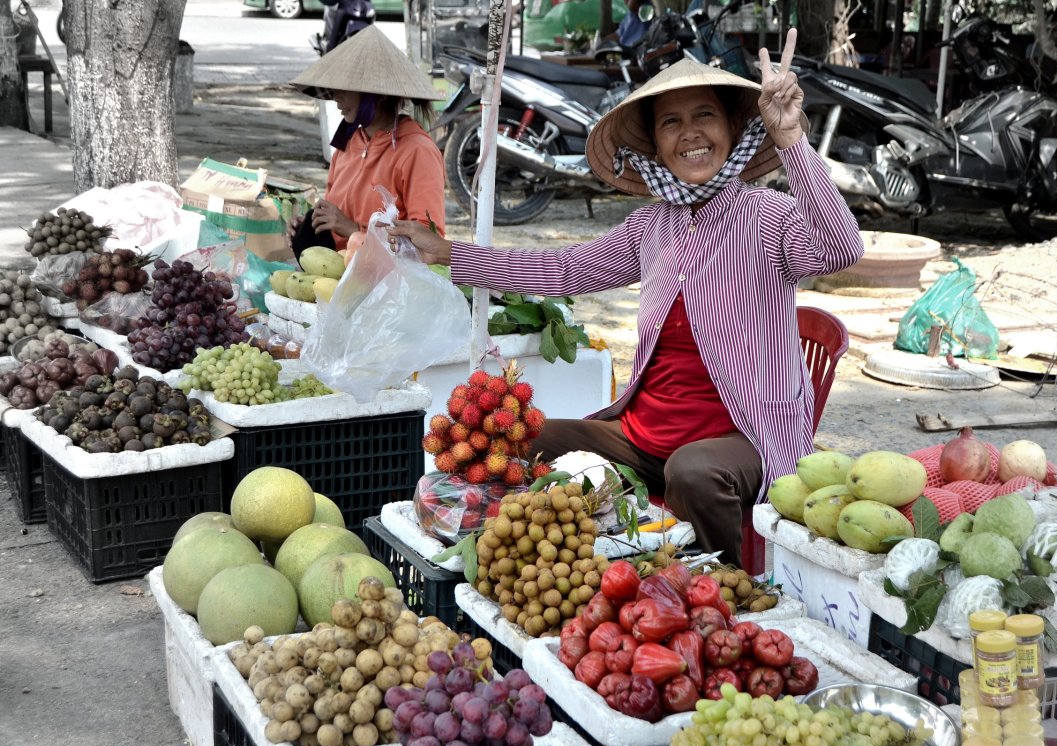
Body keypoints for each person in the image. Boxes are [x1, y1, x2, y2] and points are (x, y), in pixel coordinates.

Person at [389, 30, 864, 565]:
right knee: (519, 441)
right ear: (655, 145)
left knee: (694, 472)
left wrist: (791, 139)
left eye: (704, 116)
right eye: (671, 123)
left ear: (733, 129)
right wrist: (451, 254)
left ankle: (727, 585)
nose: (691, 135)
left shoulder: (766, 216)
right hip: (641, 437)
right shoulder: (651, 227)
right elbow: (563, 269)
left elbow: (841, 245)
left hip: (739, 438)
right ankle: (538, 562)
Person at [287, 25, 446, 258]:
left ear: (379, 94)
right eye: (333, 88)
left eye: (346, 88)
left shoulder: (417, 151)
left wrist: (351, 230)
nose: (335, 96)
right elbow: (334, 215)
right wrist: (309, 227)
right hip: (336, 274)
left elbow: (429, 246)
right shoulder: (349, 142)